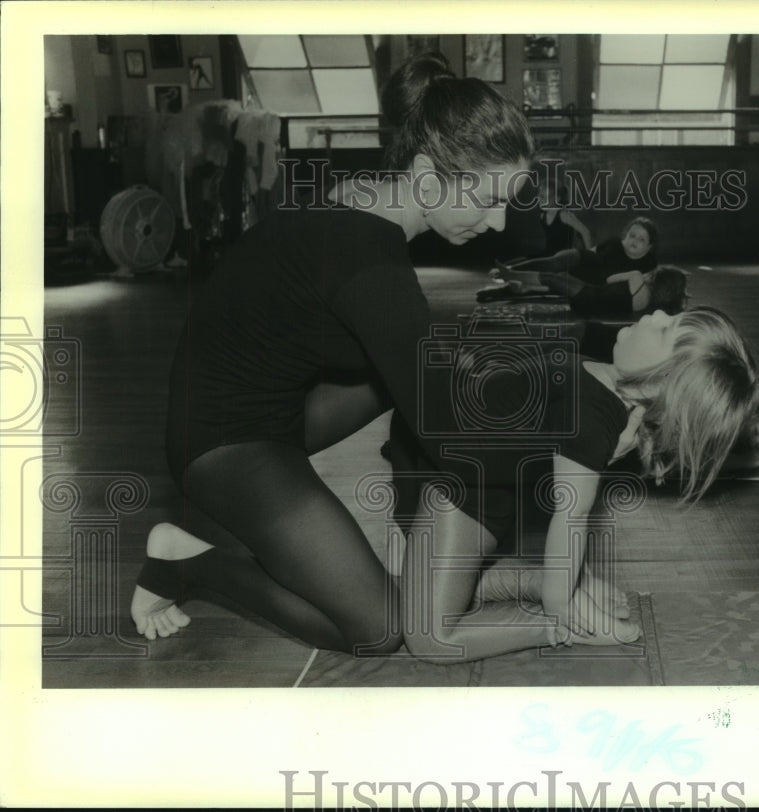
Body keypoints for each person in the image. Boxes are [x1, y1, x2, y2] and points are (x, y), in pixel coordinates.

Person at [129, 52, 535, 654]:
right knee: (378, 629)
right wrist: (569, 436)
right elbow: (452, 430)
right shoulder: (371, 266)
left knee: (431, 365)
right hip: (218, 440)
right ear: (426, 176)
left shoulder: (365, 198)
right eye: (489, 198)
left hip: (275, 408)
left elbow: (428, 389)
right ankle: (185, 564)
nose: (499, 223)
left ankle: (403, 534)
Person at [390, 306, 759, 660]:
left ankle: (566, 626)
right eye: (671, 317)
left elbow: (572, 515)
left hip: (464, 489)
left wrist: (560, 606)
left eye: (665, 329)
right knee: (416, 592)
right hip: (437, 457)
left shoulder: (593, 414)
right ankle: (542, 583)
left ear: (661, 379)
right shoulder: (607, 382)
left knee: (433, 638)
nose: (656, 315)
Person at [487, 262, 688, 318]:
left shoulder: (637, 277)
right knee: (562, 281)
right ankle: (525, 288)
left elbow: (609, 280)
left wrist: (638, 275)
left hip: (590, 296)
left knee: (553, 278)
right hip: (592, 307)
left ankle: (509, 274)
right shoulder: (648, 304)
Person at [499, 215, 660, 285]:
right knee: (553, 264)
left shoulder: (649, 262)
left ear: (649, 246)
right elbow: (593, 250)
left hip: (588, 281)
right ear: (625, 236)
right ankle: (511, 269)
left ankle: (515, 278)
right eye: (632, 235)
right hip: (582, 259)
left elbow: (655, 278)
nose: (635, 241)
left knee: (551, 281)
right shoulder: (616, 243)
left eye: (641, 239)